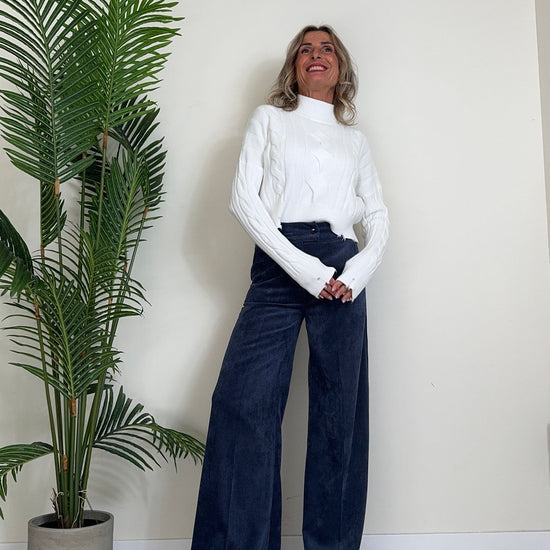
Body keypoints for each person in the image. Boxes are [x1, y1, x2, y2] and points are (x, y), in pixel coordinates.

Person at [191, 24, 389, 550]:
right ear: (294, 67)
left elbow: (378, 216)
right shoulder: (269, 120)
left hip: (343, 271)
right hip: (281, 262)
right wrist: (306, 270)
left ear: (340, 68)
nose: (316, 54)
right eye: (306, 49)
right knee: (242, 405)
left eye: (327, 49)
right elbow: (243, 200)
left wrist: (353, 275)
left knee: (339, 417)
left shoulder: (355, 142)